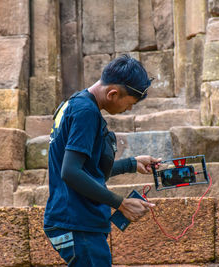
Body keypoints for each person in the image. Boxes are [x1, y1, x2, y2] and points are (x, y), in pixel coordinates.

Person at [43, 54, 161, 266]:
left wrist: (131, 164)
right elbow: (70, 172)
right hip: (77, 222)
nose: (129, 109)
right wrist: (121, 204)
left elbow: (86, 169)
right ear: (113, 93)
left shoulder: (75, 103)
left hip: (73, 219)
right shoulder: (86, 112)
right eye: (130, 103)